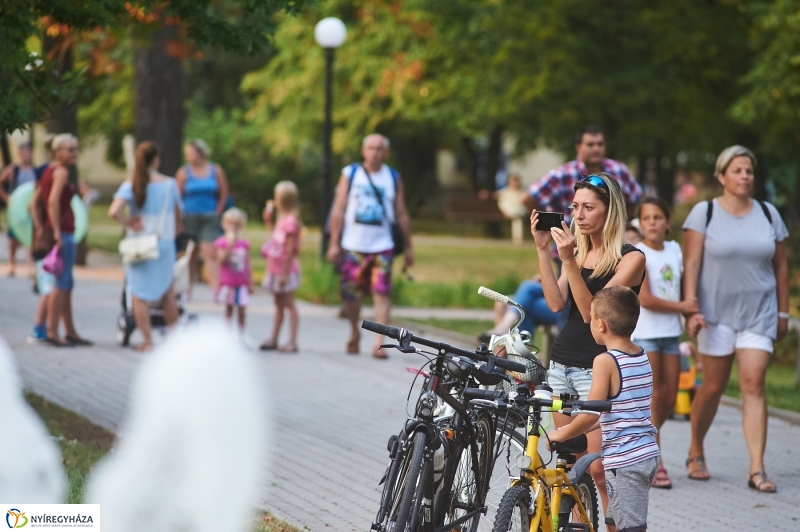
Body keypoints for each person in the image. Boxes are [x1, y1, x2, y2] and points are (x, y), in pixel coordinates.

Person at [531, 172, 646, 513]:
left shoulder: (631, 259)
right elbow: (554, 303)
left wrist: (568, 260)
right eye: (575, 207)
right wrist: (543, 251)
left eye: (588, 208)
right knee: (568, 468)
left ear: (609, 212)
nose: (578, 216)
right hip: (562, 366)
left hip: (598, 368)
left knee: (597, 470)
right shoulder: (578, 252)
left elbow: (591, 314)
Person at [682, 145, 788, 492]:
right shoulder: (705, 212)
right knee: (712, 386)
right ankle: (696, 448)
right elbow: (692, 265)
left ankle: (757, 469)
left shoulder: (769, 213)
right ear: (721, 176)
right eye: (738, 170)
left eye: (749, 171)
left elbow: (781, 266)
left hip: (760, 312)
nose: (745, 176)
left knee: (754, 384)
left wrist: (783, 311)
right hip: (715, 316)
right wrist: (691, 308)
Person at [549, 286, 660, 532]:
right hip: (645, 453)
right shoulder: (641, 355)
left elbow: (592, 412)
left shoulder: (605, 361)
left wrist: (561, 433)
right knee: (614, 520)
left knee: (630, 527)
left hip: (626, 459)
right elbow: (620, 410)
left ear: (601, 325)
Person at [631, 196, 698, 489]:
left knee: (669, 399)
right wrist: (684, 307)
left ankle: (642, 446)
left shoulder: (674, 249)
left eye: (658, 217)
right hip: (647, 332)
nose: (652, 223)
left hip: (671, 333)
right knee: (654, 398)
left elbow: (685, 286)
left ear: (668, 222)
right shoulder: (638, 253)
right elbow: (644, 299)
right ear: (640, 223)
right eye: (646, 218)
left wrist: (692, 313)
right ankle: (654, 460)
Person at [326, 134, 413, 358]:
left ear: (386, 153)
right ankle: (355, 331)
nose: (375, 153)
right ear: (363, 151)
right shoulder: (350, 174)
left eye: (379, 149)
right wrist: (334, 242)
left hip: (383, 245)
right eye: (371, 148)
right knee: (351, 295)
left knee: (381, 292)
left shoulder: (393, 177)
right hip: (353, 245)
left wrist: (410, 248)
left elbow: (401, 213)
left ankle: (379, 343)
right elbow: (339, 209)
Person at [109, 141, 183, 352]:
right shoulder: (170, 184)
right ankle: (174, 339)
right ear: (156, 159)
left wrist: (128, 222)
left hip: (139, 244)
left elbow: (114, 211)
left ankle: (148, 341)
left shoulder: (131, 184)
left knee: (138, 294)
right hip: (165, 243)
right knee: (167, 292)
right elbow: (179, 216)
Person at [37, 134, 91, 347]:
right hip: (63, 233)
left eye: (76, 149)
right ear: (58, 152)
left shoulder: (48, 172)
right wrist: (57, 231)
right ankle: (53, 331)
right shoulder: (61, 172)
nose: (74, 153)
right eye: (70, 150)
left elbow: (36, 201)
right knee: (61, 284)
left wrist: (43, 226)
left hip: (60, 231)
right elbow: (52, 202)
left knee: (67, 283)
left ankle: (70, 331)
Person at [523, 125, 642, 216]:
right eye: (590, 145)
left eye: (600, 144)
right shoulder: (562, 174)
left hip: (611, 243)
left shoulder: (618, 170)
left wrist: (625, 223)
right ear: (578, 148)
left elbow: (637, 198)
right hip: (570, 244)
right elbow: (528, 199)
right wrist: (547, 225)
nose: (596, 149)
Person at [175, 139, 230, 292]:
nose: (189, 155)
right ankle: (187, 289)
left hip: (209, 216)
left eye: (192, 152)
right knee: (190, 254)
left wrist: (218, 211)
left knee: (210, 253)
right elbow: (177, 197)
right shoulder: (183, 172)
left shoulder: (215, 170)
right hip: (189, 216)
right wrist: (179, 220)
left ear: (201, 153)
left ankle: (217, 290)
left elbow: (224, 192)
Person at [260, 181, 301, 353]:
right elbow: (277, 241)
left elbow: (290, 249)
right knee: (278, 304)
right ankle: (274, 338)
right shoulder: (281, 219)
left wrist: (284, 273)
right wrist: (269, 223)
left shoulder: (290, 221)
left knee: (289, 304)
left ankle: (292, 340)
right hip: (274, 269)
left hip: (286, 270)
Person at [0, 141, 37, 277]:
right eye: (24, 152)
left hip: (30, 208)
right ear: (19, 154)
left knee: (29, 236)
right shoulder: (12, 170)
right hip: (16, 208)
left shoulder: (35, 171)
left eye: (29, 152)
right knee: (13, 238)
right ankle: (11, 262)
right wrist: (7, 198)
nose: (26, 155)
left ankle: (29, 266)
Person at [214, 208, 254, 332]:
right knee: (228, 310)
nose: (233, 227)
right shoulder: (221, 243)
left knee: (242, 310)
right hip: (228, 283)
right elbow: (221, 260)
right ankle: (228, 335)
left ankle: (241, 336)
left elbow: (248, 264)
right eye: (230, 223)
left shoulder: (244, 244)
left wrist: (250, 282)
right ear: (224, 224)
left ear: (241, 226)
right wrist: (229, 245)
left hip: (241, 283)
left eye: (236, 224)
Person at [495, 174, 528, 243]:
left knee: (517, 218)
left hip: (519, 212)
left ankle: (517, 240)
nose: (515, 183)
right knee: (502, 202)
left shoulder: (523, 192)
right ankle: (518, 240)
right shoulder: (505, 191)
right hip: (508, 212)